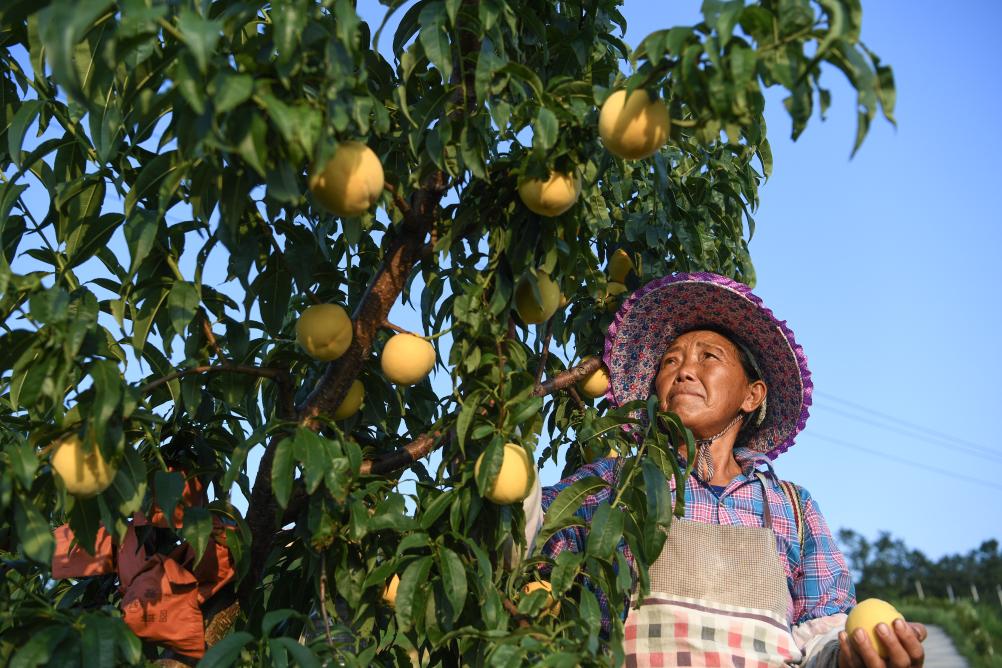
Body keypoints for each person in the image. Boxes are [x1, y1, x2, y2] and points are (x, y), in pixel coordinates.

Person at [520, 272, 928, 667]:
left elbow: (822, 632)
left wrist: (855, 655)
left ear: (752, 395)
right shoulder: (615, 483)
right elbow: (527, 537)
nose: (683, 371)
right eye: (670, 361)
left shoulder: (792, 509)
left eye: (709, 357)